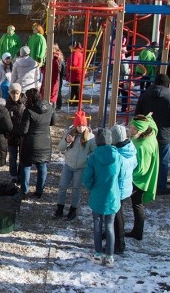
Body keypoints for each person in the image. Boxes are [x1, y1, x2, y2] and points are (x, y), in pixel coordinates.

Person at [134, 73, 170, 195]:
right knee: (163, 162)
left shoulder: (144, 96)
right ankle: (160, 187)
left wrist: (139, 130)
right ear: (167, 84)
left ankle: (144, 184)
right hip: (164, 135)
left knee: (145, 160)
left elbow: (137, 114)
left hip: (146, 134)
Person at [84, 128, 121, 266]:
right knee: (110, 226)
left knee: (97, 225)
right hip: (112, 196)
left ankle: (98, 254)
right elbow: (122, 175)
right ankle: (110, 257)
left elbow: (87, 177)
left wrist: (92, 188)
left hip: (97, 196)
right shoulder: (117, 157)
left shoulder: (93, 157)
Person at [55, 111, 95, 221]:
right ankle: (60, 208)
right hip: (68, 165)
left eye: (83, 125)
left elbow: (94, 152)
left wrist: (87, 159)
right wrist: (67, 141)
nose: (81, 128)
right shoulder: (70, 133)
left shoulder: (90, 137)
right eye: (79, 125)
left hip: (81, 167)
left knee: (76, 189)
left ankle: (73, 209)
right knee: (62, 187)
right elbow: (60, 148)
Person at [126, 114, 159, 241]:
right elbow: (151, 122)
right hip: (139, 179)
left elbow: (141, 169)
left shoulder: (142, 146)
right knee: (137, 204)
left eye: (135, 129)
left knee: (137, 204)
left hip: (138, 180)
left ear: (142, 130)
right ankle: (137, 231)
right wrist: (148, 117)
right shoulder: (150, 131)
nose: (131, 131)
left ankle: (137, 232)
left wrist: (125, 173)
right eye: (131, 127)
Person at [17, 87, 55, 198]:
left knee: (26, 166)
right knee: (42, 166)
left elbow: (24, 130)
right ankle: (39, 191)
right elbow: (53, 122)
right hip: (45, 141)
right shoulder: (49, 107)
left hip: (30, 142)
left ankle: (24, 191)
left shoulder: (28, 111)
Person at [111, 124, 137, 254]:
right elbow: (135, 165)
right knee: (119, 214)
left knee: (117, 216)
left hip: (119, 188)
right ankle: (116, 237)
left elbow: (115, 173)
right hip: (127, 187)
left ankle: (119, 243)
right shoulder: (130, 148)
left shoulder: (118, 155)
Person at [5, 83, 25, 179]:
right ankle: (13, 175)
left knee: (22, 157)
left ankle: (21, 174)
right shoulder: (6, 104)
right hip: (11, 136)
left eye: (17, 93)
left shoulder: (25, 104)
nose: (15, 96)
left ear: (20, 93)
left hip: (22, 136)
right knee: (12, 157)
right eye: (12, 93)